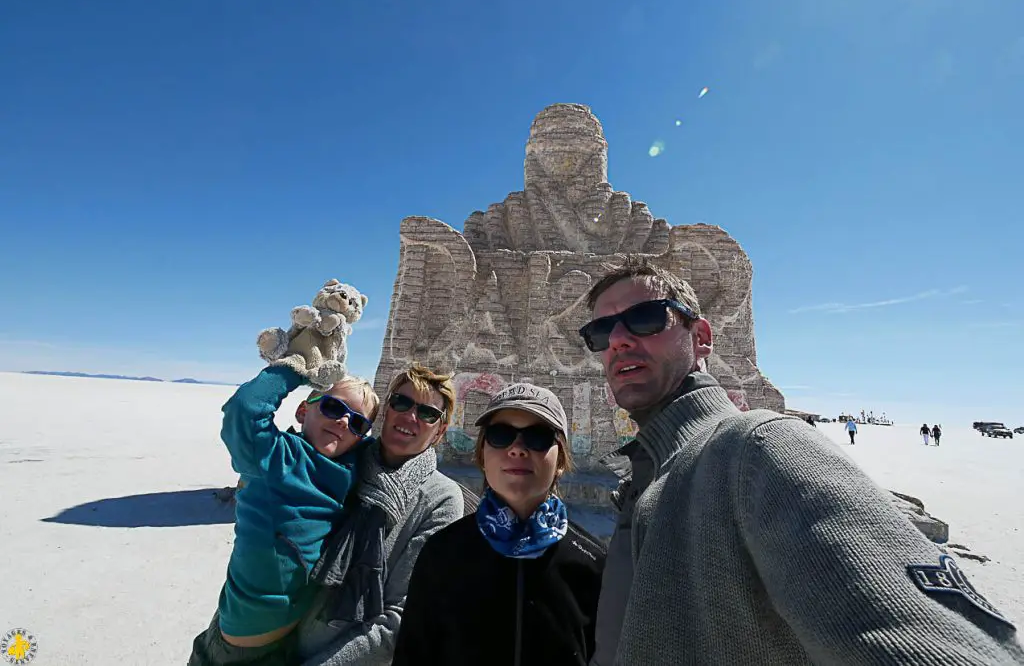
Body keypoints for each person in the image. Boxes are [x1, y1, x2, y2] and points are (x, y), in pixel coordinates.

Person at [579, 256, 1022, 665]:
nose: (618, 340)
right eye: (601, 332)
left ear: (701, 338)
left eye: (644, 318)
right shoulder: (650, 473)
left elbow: (929, 639)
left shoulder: (754, 449)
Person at [190, 363, 466, 665]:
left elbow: (402, 617)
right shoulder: (347, 454)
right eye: (401, 402)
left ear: (440, 431)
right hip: (247, 634)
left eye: (428, 414)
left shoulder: (440, 498)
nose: (411, 416)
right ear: (387, 411)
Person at [392, 382, 606, 666]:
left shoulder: (594, 564)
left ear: (561, 459)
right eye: (500, 435)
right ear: (482, 454)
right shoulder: (442, 552)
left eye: (538, 437)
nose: (517, 449)